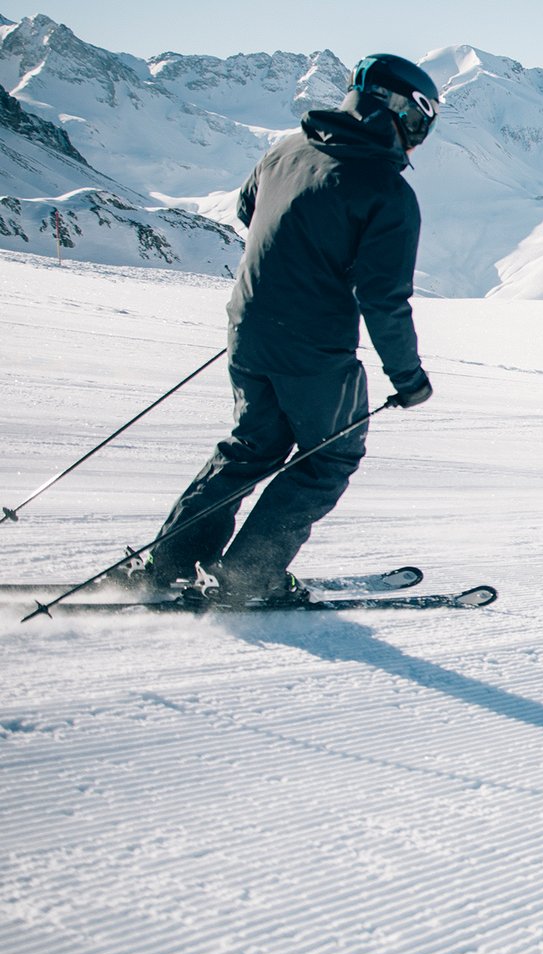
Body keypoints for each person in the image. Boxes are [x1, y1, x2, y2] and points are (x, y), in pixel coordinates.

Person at [137, 54, 440, 605]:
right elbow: (384, 298)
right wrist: (408, 376)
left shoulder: (286, 149)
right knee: (330, 455)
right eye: (423, 121)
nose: (420, 137)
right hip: (313, 345)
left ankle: (172, 563)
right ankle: (249, 576)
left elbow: (248, 209)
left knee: (251, 447)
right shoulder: (386, 191)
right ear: (400, 111)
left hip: (248, 324)